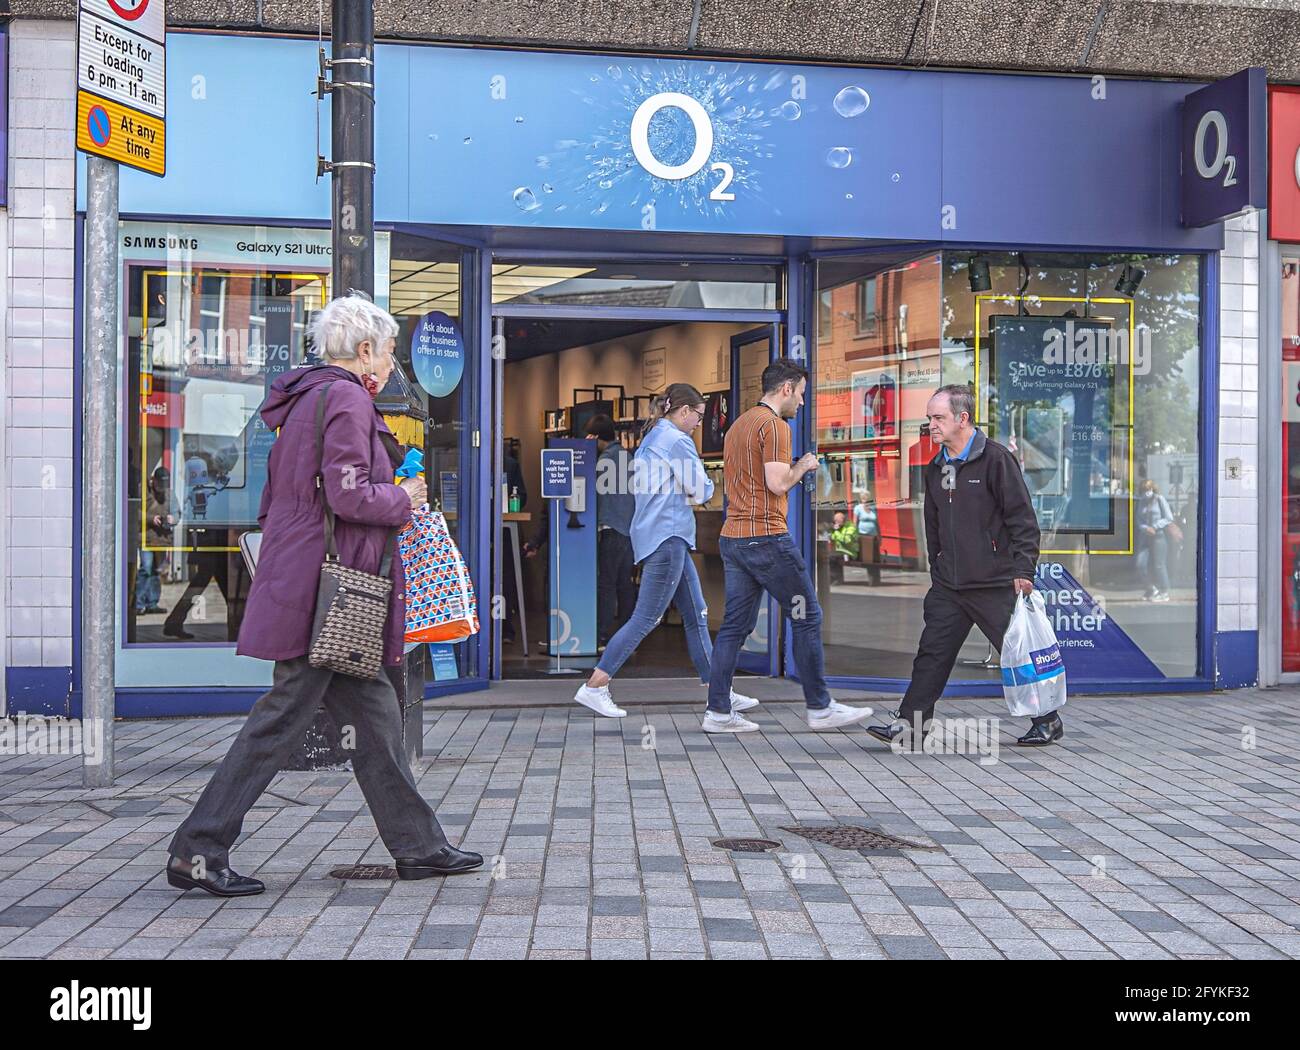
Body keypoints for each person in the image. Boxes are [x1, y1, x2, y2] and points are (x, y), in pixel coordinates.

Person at [167, 294, 481, 897]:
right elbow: (348, 495)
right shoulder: (345, 398)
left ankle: (418, 846)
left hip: (316, 587)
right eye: (390, 351)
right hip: (327, 596)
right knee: (280, 718)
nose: (393, 363)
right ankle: (197, 850)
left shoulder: (307, 398)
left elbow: (285, 498)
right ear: (366, 351)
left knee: (378, 717)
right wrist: (404, 498)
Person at [866, 384, 1063, 750]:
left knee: (1017, 652)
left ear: (963, 419)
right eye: (929, 418)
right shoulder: (936, 466)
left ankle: (1048, 720)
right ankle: (911, 726)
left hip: (994, 580)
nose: (931, 426)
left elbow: (1022, 519)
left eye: (938, 418)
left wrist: (1023, 569)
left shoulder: (996, 460)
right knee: (932, 652)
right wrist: (937, 565)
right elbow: (934, 523)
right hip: (950, 585)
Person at [572, 383, 759, 719]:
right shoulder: (676, 440)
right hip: (668, 536)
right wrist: (698, 486)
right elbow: (701, 490)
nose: (701, 422)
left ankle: (720, 691)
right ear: (683, 411)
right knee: (646, 617)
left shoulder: (651, 439)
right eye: (699, 415)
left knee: (697, 614)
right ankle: (595, 686)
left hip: (661, 535)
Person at [705, 358, 873, 733]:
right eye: (800, 394)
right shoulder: (775, 426)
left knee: (734, 625)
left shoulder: (738, 426)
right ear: (785, 389)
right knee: (807, 616)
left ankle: (718, 711)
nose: (800, 402)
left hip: (734, 536)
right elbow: (778, 483)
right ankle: (820, 707)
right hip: (765, 537)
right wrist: (805, 466)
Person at [587, 414, 638, 646]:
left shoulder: (600, 461)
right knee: (624, 583)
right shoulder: (628, 457)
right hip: (630, 529)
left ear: (596, 437)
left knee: (606, 584)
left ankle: (601, 634)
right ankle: (628, 637)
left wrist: (586, 450)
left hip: (610, 528)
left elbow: (592, 496)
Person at [134, 466, 175, 615]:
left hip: (161, 538)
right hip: (146, 537)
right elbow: (134, 511)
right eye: (159, 485)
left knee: (156, 571)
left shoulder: (169, 494)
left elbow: (177, 511)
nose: (161, 489)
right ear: (153, 481)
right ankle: (138, 604)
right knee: (146, 568)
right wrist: (152, 519)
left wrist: (173, 518)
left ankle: (152, 603)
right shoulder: (142, 492)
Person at [1136, 478, 1174, 602]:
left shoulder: (1159, 499)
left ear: (1153, 489)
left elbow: (1169, 518)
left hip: (1159, 536)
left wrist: (1155, 527)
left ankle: (1164, 592)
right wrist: (1146, 528)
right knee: (1140, 564)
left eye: (1148, 489)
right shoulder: (1141, 502)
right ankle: (1151, 589)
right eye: (1144, 490)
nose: (1146, 492)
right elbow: (1138, 520)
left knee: (1159, 565)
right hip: (1145, 537)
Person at [853, 489, 882, 585]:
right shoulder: (858, 508)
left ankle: (876, 580)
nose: (865, 499)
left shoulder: (873, 508)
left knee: (876, 559)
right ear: (861, 498)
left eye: (867, 497)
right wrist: (855, 536)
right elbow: (855, 523)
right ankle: (871, 580)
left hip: (873, 536)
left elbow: (877, 523)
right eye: (863, 497)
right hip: (863, 536)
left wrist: (879, 536)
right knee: (868, 559)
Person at [828, 510, 858, 585]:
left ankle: (836, 579)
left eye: (837, 521)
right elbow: (831, 537)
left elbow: (847, 541)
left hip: (850, 552)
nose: (836, 523)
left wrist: (836, 532)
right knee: (830, 555)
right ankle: (835, 578)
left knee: (832, 557)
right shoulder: (839, 527)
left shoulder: (851, 527)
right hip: (840, 551)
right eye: (835, 521)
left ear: (842, 520)